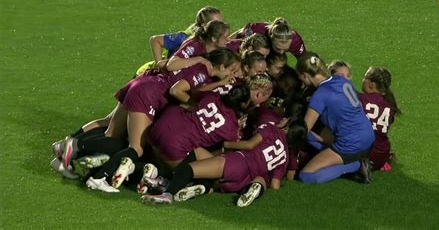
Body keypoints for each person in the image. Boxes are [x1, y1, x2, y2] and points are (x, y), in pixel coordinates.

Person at [56, 48, 240, 192]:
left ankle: (65, 153)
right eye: (232, 69)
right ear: (222, 66)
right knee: (136, 147)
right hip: (149, 95)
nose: (233, 74)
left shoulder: (199, 66)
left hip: (144, 84)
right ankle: (84, 157)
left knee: (112, 132)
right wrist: (192, 104)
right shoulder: (201, 72)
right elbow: (176, 90)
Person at [141, 107, 306, 207]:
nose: (282, 119)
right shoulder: (285, 157)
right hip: (244, 181)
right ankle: (200, 188)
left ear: (287, 127)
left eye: (286, 120)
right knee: (199, 154)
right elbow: (276, 185)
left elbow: (249, 144)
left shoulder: (272, 129)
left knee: (190, 168)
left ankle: (167, 193)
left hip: (239, 162)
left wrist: (225, 145)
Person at [296, 54, 375, 184]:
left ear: (305, 75)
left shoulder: (320, 94)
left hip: (351, 145)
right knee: (315, 135)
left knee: (306, 175)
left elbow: (303, 130)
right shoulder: (342, 80)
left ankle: (355, 166)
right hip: (368, 136)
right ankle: (354, 160)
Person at [148, 85, 250, 169]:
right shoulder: (231, 128)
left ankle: (146, 162)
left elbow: (196, 91)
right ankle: (159, 175)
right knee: (209, 167)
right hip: (174, 146)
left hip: (158, 128)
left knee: (180, 107)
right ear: (243, 104)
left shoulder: (212, 96)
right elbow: (228, 150)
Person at [136, 6, 223, 76]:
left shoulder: (211, 40)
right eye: (216, 23)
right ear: (204, 26)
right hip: (147, 74)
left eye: (222, 22)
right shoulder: (186, 38)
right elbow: (155, 40)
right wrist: (160, 65)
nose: (221, 26)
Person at [359, 67, 400, 171]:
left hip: (362, 153)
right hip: (381, 156)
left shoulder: (361, 99)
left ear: (371, 84)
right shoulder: (391, 106)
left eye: (365, 78)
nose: (362, 80)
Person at [165, 20, 230, 72]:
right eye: (225, 37)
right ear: (214, 39)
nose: (229, 39)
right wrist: (200, 59)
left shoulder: (221, 47)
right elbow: (171, 65)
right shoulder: (194, 45)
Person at [231, 17, 306, 56]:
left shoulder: (295, 41)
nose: (281, 52)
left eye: (285, 49)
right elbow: (236, 36)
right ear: (271, 37)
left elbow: (304, 60)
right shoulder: (256, 30)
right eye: (278, 48)